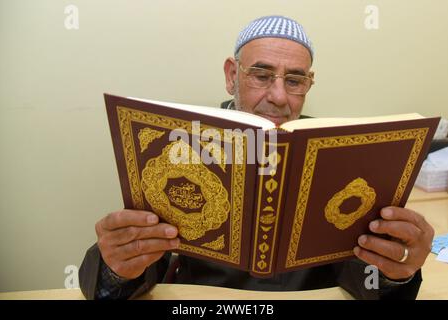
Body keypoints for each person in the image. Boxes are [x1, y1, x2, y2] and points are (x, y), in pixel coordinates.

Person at [79, 15, 434, 300]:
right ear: (232, 75)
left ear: (308, 84)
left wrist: (395, 274)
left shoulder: (336, 151)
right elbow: (130, 275)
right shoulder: (180, 141)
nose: (279, 96)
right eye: (261, 75)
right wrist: (116, 265)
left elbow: (364, 282)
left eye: (294, 80)